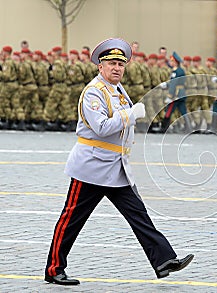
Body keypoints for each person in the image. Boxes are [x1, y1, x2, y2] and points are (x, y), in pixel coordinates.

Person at [44, 38, 193, 286]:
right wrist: (130, 114)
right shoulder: (94, 91)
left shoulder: (117, 90)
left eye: (121, 64)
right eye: (112, 63)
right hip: (91, 167)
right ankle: (53, 269)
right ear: (100, 66)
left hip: (115, 166)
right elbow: (101, 127)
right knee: (71, 220)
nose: (117, 68)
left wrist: (129, 116)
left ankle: (164, 260)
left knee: (138, 215)